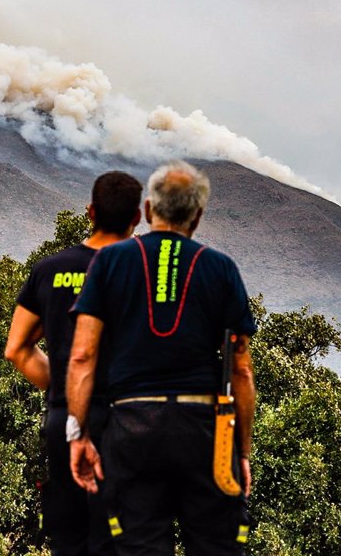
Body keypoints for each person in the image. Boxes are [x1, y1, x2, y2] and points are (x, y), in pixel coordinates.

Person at [67, 160, 257, 556]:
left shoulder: (110, 261)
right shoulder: (220, 268)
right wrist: (241, 452)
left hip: (132, 429)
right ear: (198, 216)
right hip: (204, 433)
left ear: (150, 210)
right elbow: (240, 368)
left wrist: (79, 435)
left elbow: (82, 355)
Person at [5, 170, 143, 556]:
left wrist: (59, 388)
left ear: (90, 212)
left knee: (68, 538)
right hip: (128, 420)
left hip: (65, 419)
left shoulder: (50, 270)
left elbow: (17, 348)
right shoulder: (144, 273)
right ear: (136, 217)